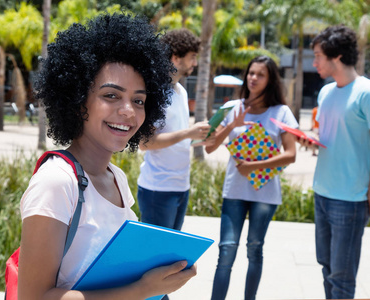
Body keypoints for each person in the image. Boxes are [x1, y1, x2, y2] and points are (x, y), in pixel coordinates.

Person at [18, 13, 196, 300]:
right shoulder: (56, 183)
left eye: (139, 100)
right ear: (77, 101)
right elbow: (34, 297)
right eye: (111, 95)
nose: (128, 110)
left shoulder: (117, 177)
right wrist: (142, 290)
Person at [206, 56, 298, 300]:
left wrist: (254, 166)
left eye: (260, 74)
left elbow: (291, 155)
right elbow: (208, 147)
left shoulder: (282, 112)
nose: (253, 78)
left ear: (270, 80)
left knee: (254, 250)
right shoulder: (231, 107)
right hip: (234, 191)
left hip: (265, 194)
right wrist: (230, 125)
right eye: (251, 73)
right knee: (226, 252)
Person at [306, 25, 370, 299]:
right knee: (326, 267)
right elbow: (328, 136)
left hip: (350, 198)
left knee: (342, 278)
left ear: (336, 56)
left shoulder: (365, 93)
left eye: (318, 55)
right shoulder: (325, 93)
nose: (314, 62)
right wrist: (311, 141)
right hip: (322, 191)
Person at [137, 28, 213, 232]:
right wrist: (188, 133)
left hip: (181, 186)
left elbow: (176, 137)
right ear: (175, 58)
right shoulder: (155, 93)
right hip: (158, 189)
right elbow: (146, 143)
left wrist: (199, 138)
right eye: (192, 58)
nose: (195, 63)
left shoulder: (180, 91)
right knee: (155, 257)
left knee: (170, 256)